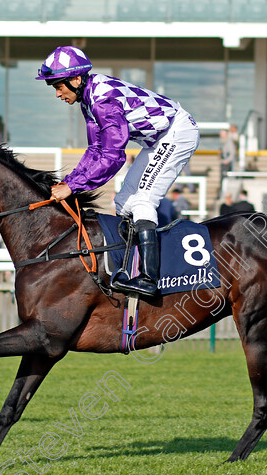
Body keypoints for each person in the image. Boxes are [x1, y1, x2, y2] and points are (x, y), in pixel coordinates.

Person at [37, 46, 200, 296]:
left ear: (76, 79)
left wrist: (73, 187)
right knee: (123, 203)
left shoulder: (103, 102)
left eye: (58, 86)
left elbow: (113, 156)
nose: (58, 94)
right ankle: (130, 268)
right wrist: (69, 182)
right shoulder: (89, 99)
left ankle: (150, 278)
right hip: (157, 140)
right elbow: (95, 150)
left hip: (177, 133)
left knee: (144, 200)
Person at [219, 129, 236, 195]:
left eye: (222, 133)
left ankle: (224, 193)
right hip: (224, 162)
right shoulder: (223, 142)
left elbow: (232, 153)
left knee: (225, 178)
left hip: (227, 164)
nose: (220, 135)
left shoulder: (229, 141)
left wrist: (227, 160)